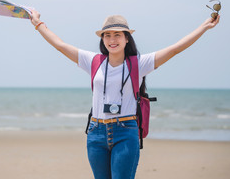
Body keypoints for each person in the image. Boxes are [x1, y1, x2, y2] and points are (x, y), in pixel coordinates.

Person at [29, 11, 220, 179]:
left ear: (127, 38)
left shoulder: (139, 63)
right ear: (102, 39)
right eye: (108, 35)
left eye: (117, 35)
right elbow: (60, 45)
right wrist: (38, 23)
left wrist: (204, 27)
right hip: (96, 133)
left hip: (125, 132)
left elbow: (175, 48)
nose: (112, 40)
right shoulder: (93, 61)